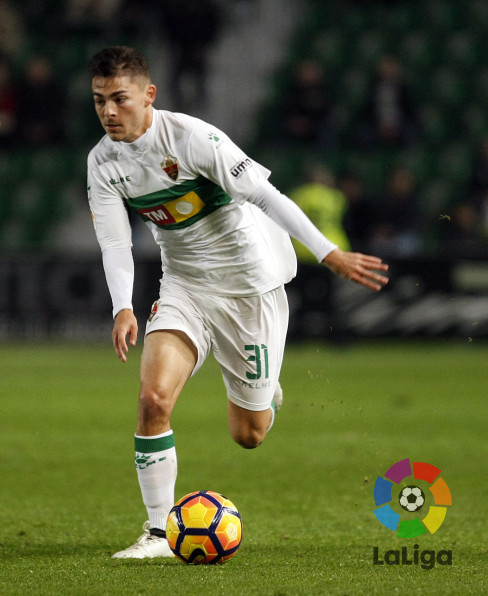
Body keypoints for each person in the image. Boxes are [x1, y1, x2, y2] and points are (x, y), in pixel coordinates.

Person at [84, 47, 389, 559]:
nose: (109, 112)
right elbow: (115, 243)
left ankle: (266, 396)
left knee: (249, 435)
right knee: (153, 400)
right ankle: (159, 532)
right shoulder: (102, 162)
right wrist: (123, 306)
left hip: (250, 288)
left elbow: (268, 197)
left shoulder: (193, 138)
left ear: (148, 95)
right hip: (184, 287)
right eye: (99, 102)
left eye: (120, 99)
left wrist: (328, 252)